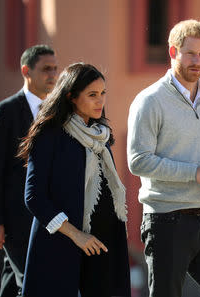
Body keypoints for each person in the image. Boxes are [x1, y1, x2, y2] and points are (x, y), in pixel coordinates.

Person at [127, 19, 200, 297]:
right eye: (190, 53)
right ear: (172, 52)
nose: (197, 61)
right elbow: (138, 160)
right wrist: (196, 173)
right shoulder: (149, 100)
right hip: (165, 219)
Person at [17, 63, 131, 297]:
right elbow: (34, 197)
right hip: (62, 245)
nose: (100, 101)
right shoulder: (50, 135)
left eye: (102, 94)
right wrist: (77, 235)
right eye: (92, 95)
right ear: (71, 97)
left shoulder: (101, 136)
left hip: (102, 246)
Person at [0, 44, 58, 297]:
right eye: (46, 69)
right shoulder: (4, 112)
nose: (53, 75)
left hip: (46, 217)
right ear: (26, 71)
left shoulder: (57, 113)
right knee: (33, 283)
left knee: (14, 282)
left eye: (55, 69)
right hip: (14, 222)